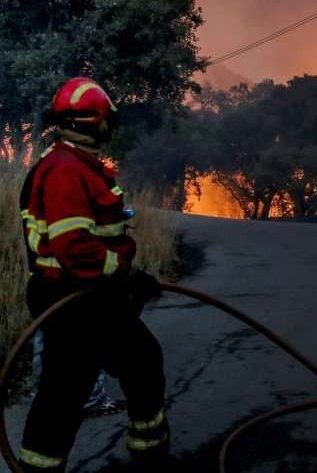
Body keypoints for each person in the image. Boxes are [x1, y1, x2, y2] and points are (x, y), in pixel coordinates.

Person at [19, 77, 172, 472]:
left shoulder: (77, 166)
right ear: (96, 122)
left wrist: (127, 275)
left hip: (88, 297)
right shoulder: (66, 171)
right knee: (64, 393)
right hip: (73, 300)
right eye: (107, 120)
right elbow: (76, 250)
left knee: (140, 361)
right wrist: (123, 275)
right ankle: (40, 467)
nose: (110, 128)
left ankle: (150, 453)